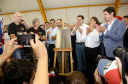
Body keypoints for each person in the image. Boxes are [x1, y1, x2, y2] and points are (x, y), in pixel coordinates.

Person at [85, 16, 101, 84]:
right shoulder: (87, 29)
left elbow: (97, 40)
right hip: (86, 49)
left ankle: (95, 80)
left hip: (94, 50)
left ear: (96, 23)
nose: (91, 22)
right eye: (91, 20)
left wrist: (90, 33)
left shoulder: (97, 30)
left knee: (94, 66)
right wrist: (86, 33)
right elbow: (83, 40)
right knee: (87, 65)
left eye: (93, 21)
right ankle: (88, 79)